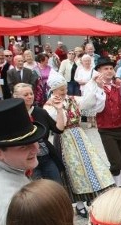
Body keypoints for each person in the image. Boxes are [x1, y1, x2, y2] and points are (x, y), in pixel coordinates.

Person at [43, 73, 114, 217]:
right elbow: (55, 123)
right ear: (53, 90)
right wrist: (59, 108)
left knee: (89, 166)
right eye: (60, 89)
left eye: (64, 88)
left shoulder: (73, 99)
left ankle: (93, 197)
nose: (64, 91)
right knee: (72, 170)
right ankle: (79, 204)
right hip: (64, 138)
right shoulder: (49, 105)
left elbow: (88, 101)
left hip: (79, 136)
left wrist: (92, 84)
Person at [83, 57, 121, 187]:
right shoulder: (92, 86)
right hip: (106, 130)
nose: (109, 71)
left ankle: (116, 184)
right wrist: (100, 88)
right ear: (99, 71)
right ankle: (115, 187)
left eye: (111, 68)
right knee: (116, 163)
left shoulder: (119, 84)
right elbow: (97, 108)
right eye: (105, 68)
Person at [11, 81, 64, 184]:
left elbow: (59, 129)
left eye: (31, 93)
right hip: (26, 160)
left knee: (57, 186)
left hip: (46, 156)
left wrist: (59, 110)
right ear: (16, 97)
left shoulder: (40, 112)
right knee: (37, 191)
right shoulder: (13, 116)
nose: (30, 96)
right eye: (26, 95)